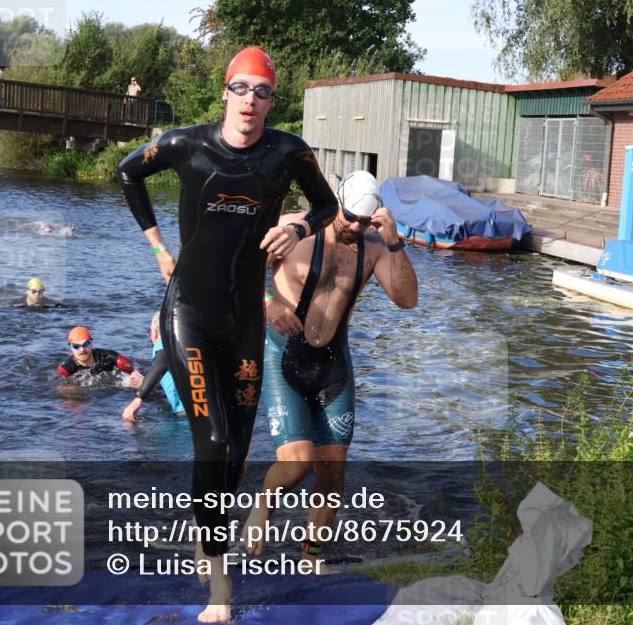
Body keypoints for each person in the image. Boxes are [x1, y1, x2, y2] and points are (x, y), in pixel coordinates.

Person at [118, 45, 337, 622]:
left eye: (263, 91)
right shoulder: (186, 144)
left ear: (272, 100)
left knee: (236, 457)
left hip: (243, 321)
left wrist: (295, 225)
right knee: (211, 445)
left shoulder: (288, 152)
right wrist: (159, 248)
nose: (251, 101)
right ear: (225, 92)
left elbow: (328, 205)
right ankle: (221, 591)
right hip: (187, 312)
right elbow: (126, 173)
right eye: (241, 88)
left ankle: (203, 540)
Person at [243, 170, 418, 568]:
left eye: (364, 220)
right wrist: (269, 304)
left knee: (332, 475)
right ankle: (262, 510)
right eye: (350, 217)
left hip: (333, 365)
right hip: (283, 358)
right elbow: (239, 271)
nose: (355, 226)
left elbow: (408, 300)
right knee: (296, 463)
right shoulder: (295, 230)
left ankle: (311, 554)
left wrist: (393, 240)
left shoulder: (374, 246)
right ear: (337, 202)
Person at [122, 312, 183, 421]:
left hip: (184, 415)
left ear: (154, 333)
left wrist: (138, 399)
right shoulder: (187, 346)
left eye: (149, 331)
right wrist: (145, 381)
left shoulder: (163, 347)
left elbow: (162, 363)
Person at [57, 326, 143, 388]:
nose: (82, 349)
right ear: (71, 348)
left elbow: (133, 366)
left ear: (91, 344)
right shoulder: (67, 368)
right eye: (76, 346)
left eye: (86, 344)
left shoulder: (107, 357)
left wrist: (135, 373)